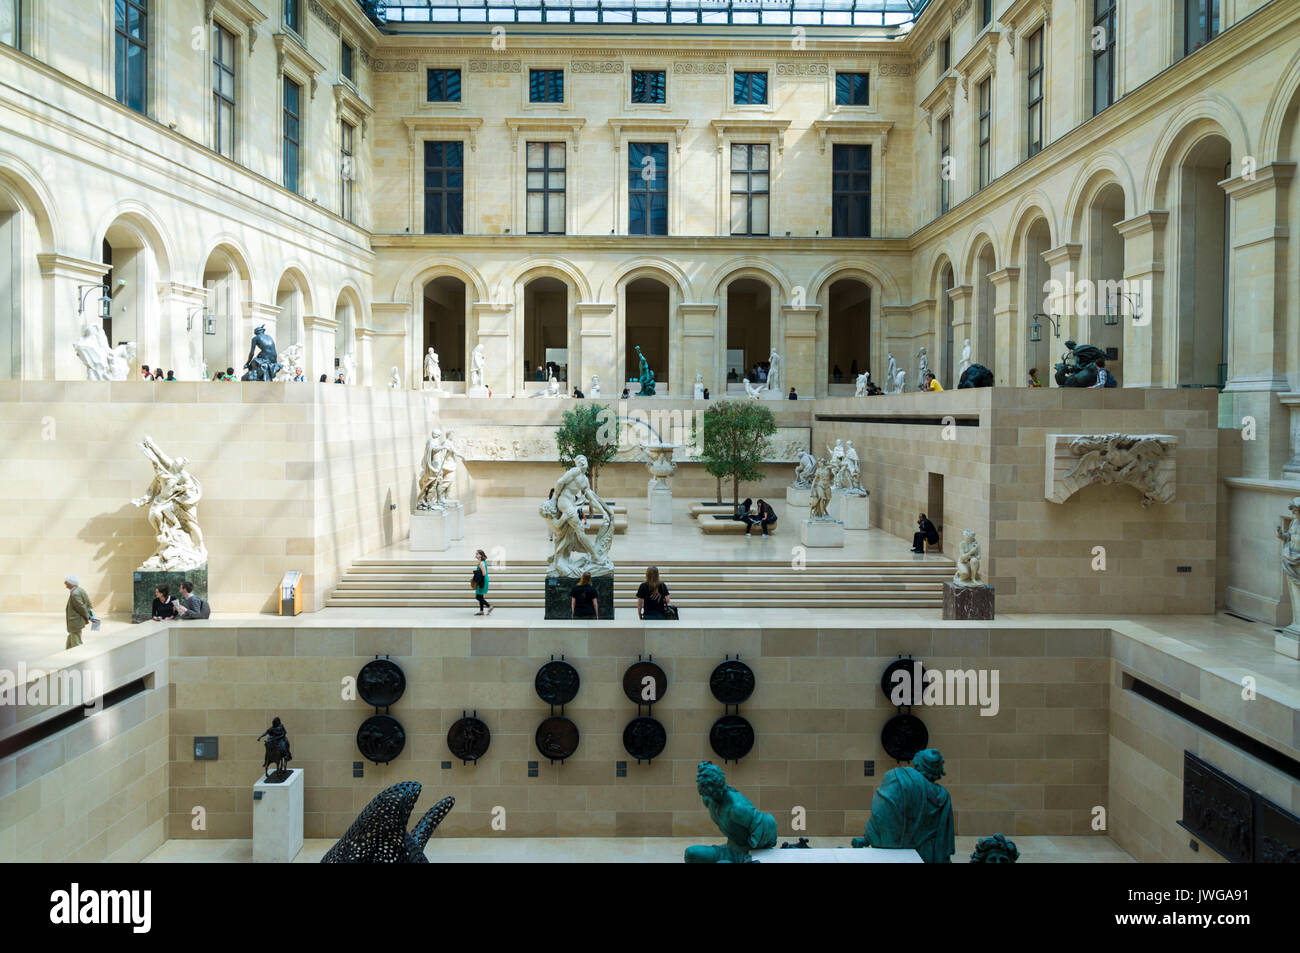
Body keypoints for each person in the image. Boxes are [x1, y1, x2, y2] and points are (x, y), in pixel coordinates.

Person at [64, 574, 97, 649]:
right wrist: (92, 615)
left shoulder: (75, 594)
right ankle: (68, 651)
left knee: (76, 643)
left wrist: (89, 617)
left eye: (66, 581)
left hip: (75, 622)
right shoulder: (80, 590)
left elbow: (81, 607)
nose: (64, 583)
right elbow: (88, 604)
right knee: (71, 639)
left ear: (70, 583)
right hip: (76, 622)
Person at [473, 549, 492, 615]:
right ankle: (481, 611)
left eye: (477, 554)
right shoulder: (482, 562)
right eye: (476, 554)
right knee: (480, 596)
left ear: (481, 555)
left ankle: (489, 606)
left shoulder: (481, 563)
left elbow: (483, 573)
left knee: (478, 597)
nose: (476, 555)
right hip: (483, 579)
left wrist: (476, 575)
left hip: (482, 580)